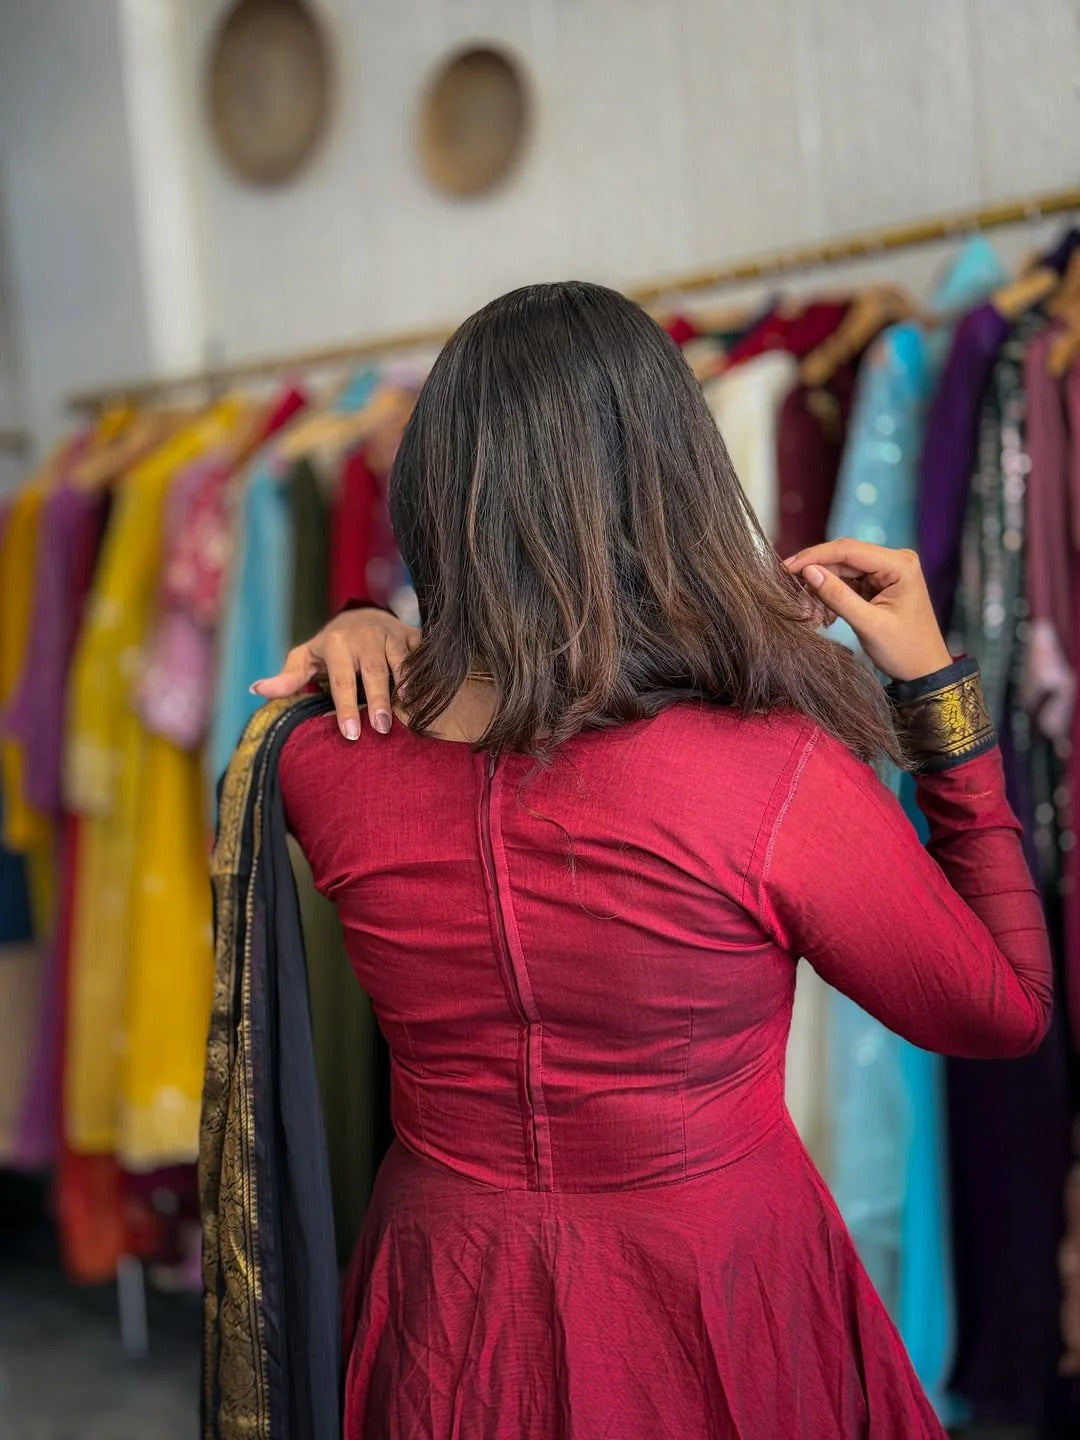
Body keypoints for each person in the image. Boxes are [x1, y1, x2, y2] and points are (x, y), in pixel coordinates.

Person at [251, 282, 1050, 1439]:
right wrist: (942, 706)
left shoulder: (321, 766)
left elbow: (455, 716)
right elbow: (1005, 1009)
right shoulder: (768, 777)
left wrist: (367, 630)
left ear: (431, 496)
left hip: (447, 1302)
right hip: (715, 1290)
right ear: (669, 490)